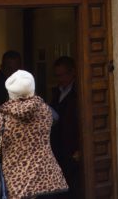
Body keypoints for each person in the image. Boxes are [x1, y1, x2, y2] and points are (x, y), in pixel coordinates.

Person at [0, 69, 68, 198]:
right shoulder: (45, 111)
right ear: (33, 89)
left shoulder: (0, 120)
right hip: (50, 182)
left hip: (17, 187)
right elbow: (56, 118)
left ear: (10, 92)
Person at [50, 56, 83, 198]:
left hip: (73, 150)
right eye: (57, 75)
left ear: (72, 72)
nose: (60, 79)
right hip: (58, 150)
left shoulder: (80, 92)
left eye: (62, 75)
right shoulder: (56, 92)